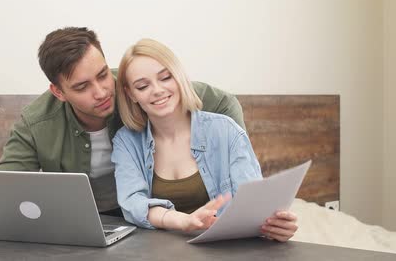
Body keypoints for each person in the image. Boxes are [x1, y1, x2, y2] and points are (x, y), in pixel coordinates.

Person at [0, 27, 246, 216]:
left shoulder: (136, 87)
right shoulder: (37, 122)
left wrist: (236, 161)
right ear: (59, 92)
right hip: (80, 219)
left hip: (141, 216)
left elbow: (221, 101)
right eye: (82, 87)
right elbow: (1, 188)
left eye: (103, 74)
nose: (102, 92)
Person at [111, 39, 298, 242]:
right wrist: (182, 221)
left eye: (165, 77)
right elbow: (132, 203)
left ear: (179, 76)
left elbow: (254, 206)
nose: (157, 90)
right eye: (143, 86)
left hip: (225, 249)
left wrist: (275, 226)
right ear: (131, 94)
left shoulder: (226, 131)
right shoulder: (126, 142)